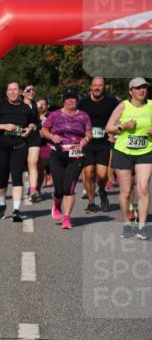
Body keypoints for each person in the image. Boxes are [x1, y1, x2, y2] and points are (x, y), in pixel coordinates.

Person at [105, 77, 152, 239]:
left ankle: (142, 226)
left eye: (144, 87)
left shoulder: (151, 105)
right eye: (138, 88)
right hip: (123, 152)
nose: (142, 90)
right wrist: (122, 126)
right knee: (126, 191)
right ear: (130, 91)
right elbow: (108, 128)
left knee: (143, 188)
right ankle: (126, 223)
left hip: (146, 151)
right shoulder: (123, 106)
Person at [41, 88, 91, 230]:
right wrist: (52, 136)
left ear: (77, 100)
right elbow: (44, 130)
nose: (70, 100)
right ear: (63, 100)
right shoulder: (55, 115)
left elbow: (89, 133)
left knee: (69, 188)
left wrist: (86, 140)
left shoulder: (84, 116)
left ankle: (67, 218)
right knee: (59, 188)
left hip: (76, 155)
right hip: (57, 154)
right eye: (67, 98)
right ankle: (57, 204)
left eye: (73, 98)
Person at [0, 81, 37, 222]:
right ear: (6, 92)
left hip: (19, 146)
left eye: (15, 89)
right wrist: (4, 126)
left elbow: (33, 121)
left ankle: (16, 210)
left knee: (17, 177)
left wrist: (28, 130)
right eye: (9, 89)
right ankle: (2, 204)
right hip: (1, 146)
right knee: (3, 178)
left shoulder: (25, 107)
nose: (12, 92)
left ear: (20, 92)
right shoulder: (0, 105)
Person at [79, 77, 119, 212]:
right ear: (91, 87)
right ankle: (91, 202)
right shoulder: (83, 102)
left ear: (104, 87)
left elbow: (118, 117)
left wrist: (113, 132)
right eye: (95, 85)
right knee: (88, 172)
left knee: (102, 175)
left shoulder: (111, 101)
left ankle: (101, 190)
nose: (97, 88)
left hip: (104, 142)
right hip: (88, 142)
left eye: (100, 85)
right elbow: (77, 119)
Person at [22, 84, 44, 203]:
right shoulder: (18, 105)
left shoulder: (37, 105)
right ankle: (25, 187)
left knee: (33, 162)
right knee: (23, 164)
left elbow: (40, 117)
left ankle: (33, 190)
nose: (31, 92)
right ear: (22, 92)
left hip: (34, 135)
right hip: (21, 136)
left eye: (33, 90)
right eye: (28, 90)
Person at [35, 96, 52, 196]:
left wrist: (42, 118)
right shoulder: (32, 115)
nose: (41, 106)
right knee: (33, 167)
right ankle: (32, 187)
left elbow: (51, 126)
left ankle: (37, 189)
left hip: (45, 145)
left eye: (43, 105)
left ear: (47, 106)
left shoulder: (50, 115)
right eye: (39, 105)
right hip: (33, 144)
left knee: (41, 168)